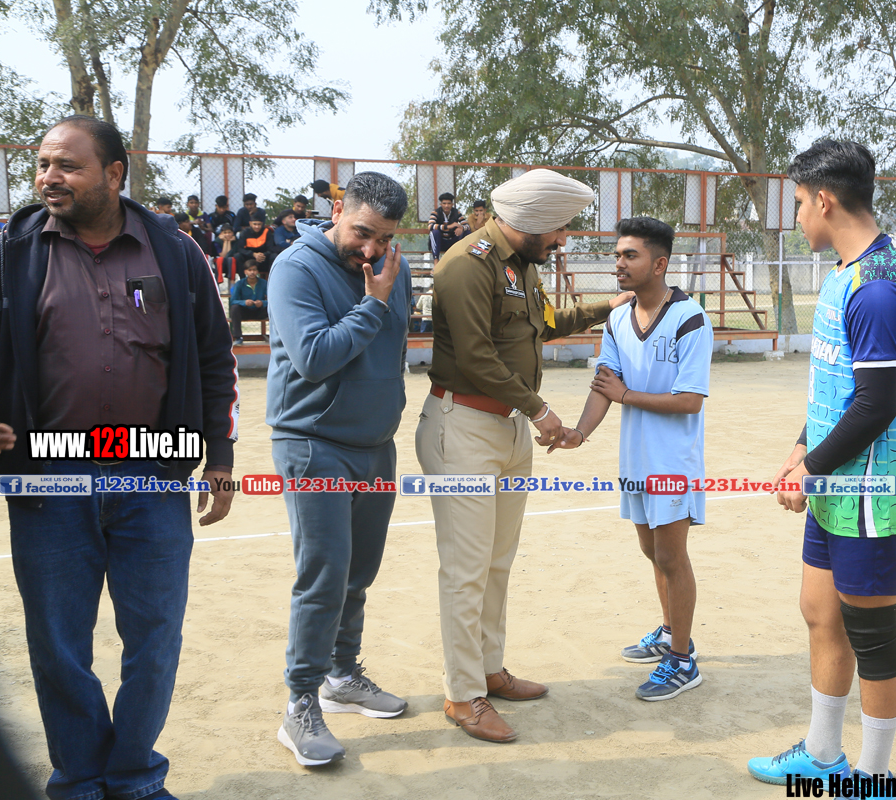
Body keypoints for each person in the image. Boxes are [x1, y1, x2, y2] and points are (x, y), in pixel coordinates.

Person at [0, 114, 238, 800]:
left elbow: (215, 358)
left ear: (113, 173)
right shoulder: (11, 253)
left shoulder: (175, 252)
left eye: (67, 166)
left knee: (155, 641)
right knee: (59, 645)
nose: (49, 178)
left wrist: (220, 457)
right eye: (43, 164)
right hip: (48, 473)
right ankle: (78, 780)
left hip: (153, 469)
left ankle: (134, 777)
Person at [416, 168, 633, 743]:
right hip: (463, 427)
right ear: (531, 222)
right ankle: (463, 694)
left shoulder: (521, 264)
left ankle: (489, 669)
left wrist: (604, 309)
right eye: (558, 228)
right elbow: (477, 355)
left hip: (506, 427)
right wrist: (540, 410)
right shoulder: (466, 265)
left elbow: (543, 325)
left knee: (496, 562)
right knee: (465, 569)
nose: (562, 239)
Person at [746, 139, 896, 784]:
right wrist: (805, 446)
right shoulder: (844, 274)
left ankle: (874, 780)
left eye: (800, 202)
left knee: (872, 634)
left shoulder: (878, 289)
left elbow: (876, 404)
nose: (797, 216)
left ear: (825, 200)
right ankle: (823, 754)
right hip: (838, 483)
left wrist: (812, 469)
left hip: (879, 492)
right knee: (820, 611)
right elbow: (839, 387)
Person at [266, 171, 413, 766]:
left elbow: (395, 348)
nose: (371, 249)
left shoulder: (393, 268)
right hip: (313, 443)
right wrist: (374, 302)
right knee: (324, 576)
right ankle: (301, 702)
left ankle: (342, 675)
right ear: (336, 211)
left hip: (376, 444)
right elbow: (314, 357)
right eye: (361, 232)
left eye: (385, 237)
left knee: (358, 573)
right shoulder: (296, 268)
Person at [554, 216, 712, 701]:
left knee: (671, 556)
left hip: (673, 461)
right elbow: (605, 383)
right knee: (651, 552)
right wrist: (580, 432)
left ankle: (682, 661)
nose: (618, 264)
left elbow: (690, 400)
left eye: (630, 255)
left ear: (659, 264)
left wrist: (626, 395)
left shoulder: (690, 318)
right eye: (617, 255)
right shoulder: (618, 318)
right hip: (635, 459)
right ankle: (669, 631)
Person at [229, 260, 268, 345]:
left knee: (273, 308)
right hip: (245, 311)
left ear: (257, 271)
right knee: (234, 308)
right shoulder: (239, 284)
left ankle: (275, 336)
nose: (252, 272)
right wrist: (244, 302)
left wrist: (262, 303)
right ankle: (238, 337)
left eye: (254, 270)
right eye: (249, 270)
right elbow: (233, 300)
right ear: (245, 272)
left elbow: (272, 300)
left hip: (260, 311)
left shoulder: (264, 283)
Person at [428, 192, 469, 264]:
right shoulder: (436, 212)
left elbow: (467, 226)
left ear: (452, 204)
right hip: (440, 243)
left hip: (453, 242)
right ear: (441, 204)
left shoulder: (456, 212)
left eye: (449, 203)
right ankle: (436, 262)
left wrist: (461, 228)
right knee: (435, 232)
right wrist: (448, 226)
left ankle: (464, 261)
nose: (446, 206)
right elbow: (430, 226)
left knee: (467, 232)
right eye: (444, 203)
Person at [238, 209, 277, 276]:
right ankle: (243, 278)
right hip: (250, 257)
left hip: (263, 258)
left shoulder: (266, 232)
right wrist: (253, 254)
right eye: (254, 224)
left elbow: (270, 248)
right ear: (250, 223)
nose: (257, 226)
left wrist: (262, 255)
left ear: (262, 224)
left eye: (259, 224)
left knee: (273, 256)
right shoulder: (245, 233)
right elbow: (240, 249)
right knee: (238, 256)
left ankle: (272, 277)